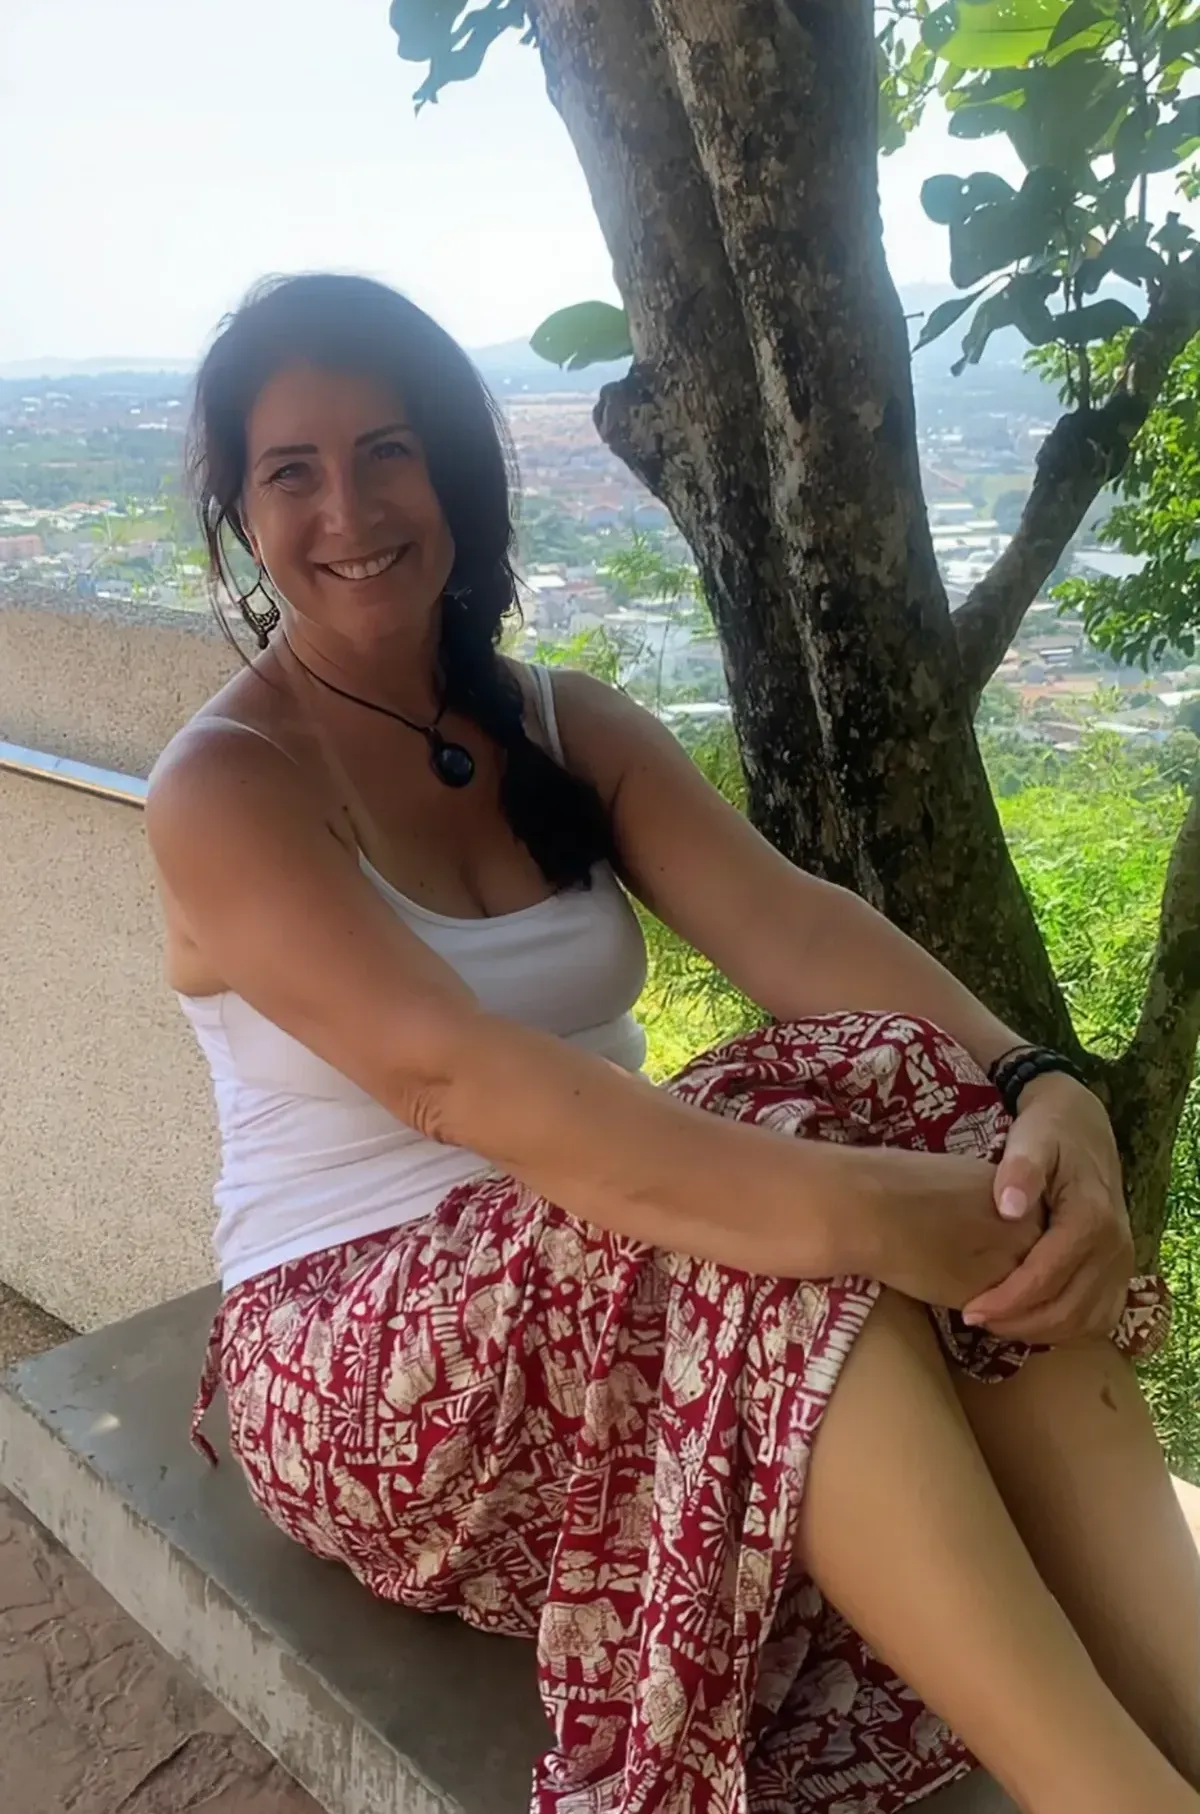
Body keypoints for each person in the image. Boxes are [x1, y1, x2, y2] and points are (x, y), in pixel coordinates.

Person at [148, 272, 1199, 1814]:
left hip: (605, 1271)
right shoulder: (226, 785)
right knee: (776, 1221)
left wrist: (1043, 1090)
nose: (350, 506)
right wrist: (887, 1215)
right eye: (291, 471)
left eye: (388, 450)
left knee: (924, 1094)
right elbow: (461, 1078)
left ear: (454, 467)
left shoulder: (562, 723)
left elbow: (802, 931)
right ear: (244, 515)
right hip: (359, 1353)